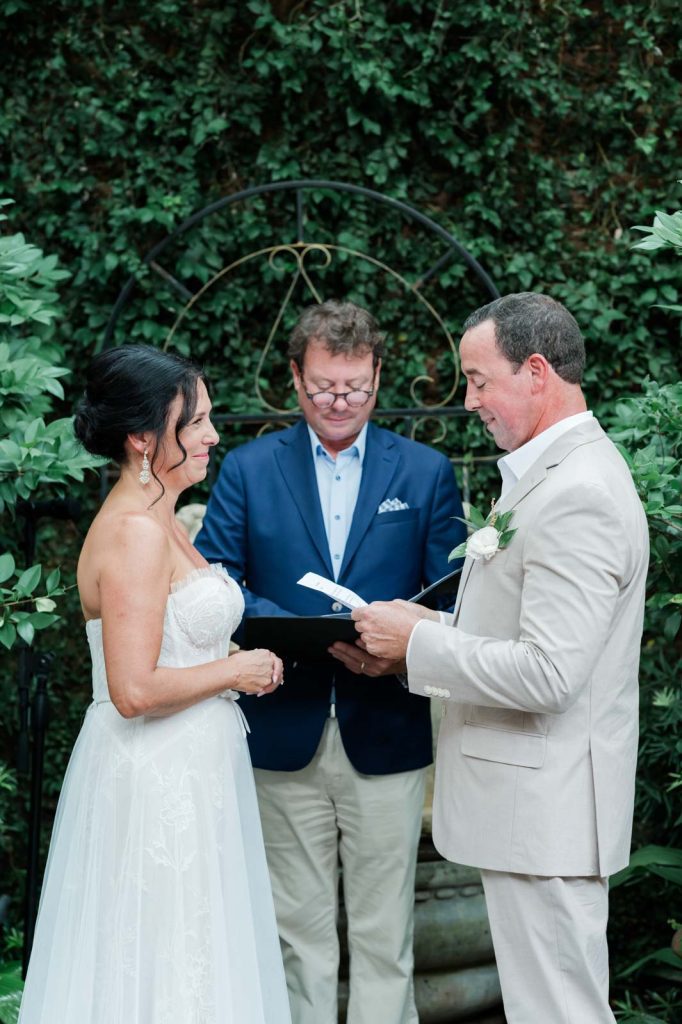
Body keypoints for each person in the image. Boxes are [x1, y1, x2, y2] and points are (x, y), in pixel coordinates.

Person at [352, 292, 649, 1024]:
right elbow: (525, 628)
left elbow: (549, 672)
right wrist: (430, 626)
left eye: (479, 378)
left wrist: (420, 644)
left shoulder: (579, 493)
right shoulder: (552, 476)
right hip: (535, 809)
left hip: (546, 812)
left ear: (537, 371)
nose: (469, 399)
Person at [195, 300, 466, 1024]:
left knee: (386, 936)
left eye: (354, 387)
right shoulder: (249, 469)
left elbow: (453, 595)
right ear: (294, 378)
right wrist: (298, 629)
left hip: (388, 725)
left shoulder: (427, 471)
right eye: (322, 388)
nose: (339, 402)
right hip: (283, 728)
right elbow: (215, 579)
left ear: (378, 374)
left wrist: (402, 650)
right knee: (296, 931)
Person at [19, 344, 291, 1024]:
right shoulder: (136, 531)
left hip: (194, 775)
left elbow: (171, 634)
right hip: (157, 781)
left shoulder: (162, 519)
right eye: (194, 422)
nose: (212, 435)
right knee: (163, 958)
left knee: (198, 953)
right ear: (143, 438)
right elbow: (132, 689)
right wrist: (236, 668)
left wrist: (225, 653)